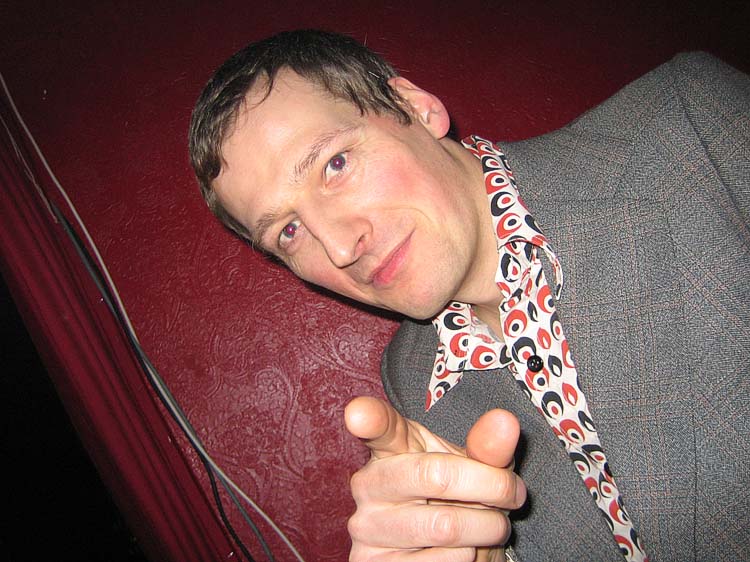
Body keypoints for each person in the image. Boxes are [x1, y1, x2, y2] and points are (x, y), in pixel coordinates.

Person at [188, 30, 750, 562]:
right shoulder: (411, 383)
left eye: (335, 164)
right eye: (288, 231)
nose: (338, 247)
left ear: (416, 108)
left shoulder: (690, 125)